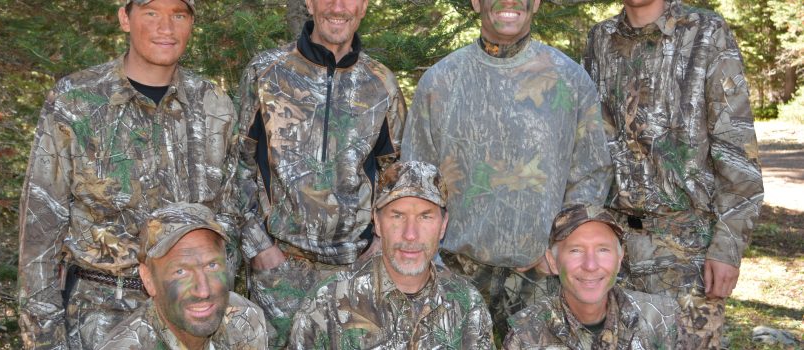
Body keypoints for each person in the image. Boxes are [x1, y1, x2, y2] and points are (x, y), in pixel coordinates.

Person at [17, 1, 242, 348]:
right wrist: (45, 340)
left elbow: (228, 218)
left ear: (191, 23)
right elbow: (40, 232)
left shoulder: (214, 104)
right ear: (125, 18)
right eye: (151, 12)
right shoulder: (77, 102)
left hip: (194, 317)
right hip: (103, 316)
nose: (166, 27)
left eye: (178, 15)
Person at [401, 0, 613, 339]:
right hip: (457, 277)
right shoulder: (441, 81)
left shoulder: (569, 79)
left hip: (543, 279)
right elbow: (415, 184)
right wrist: (433, 263)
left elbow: (590, 174)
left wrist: (559, 246)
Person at [582, 0, 764, 347]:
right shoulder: (600, 39)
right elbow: (587, 149)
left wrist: (727, 248)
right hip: (611, 251)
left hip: (687, 255)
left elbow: (737, 150)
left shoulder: (706, 33)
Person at [235, 0, 406, 346]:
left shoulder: (381, 84)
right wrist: (259, 247)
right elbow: (236, 164)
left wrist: (378, 244)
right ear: (309, 4)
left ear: (364, 7)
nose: (338, 7)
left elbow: (396, 176)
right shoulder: (266, 73)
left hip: (354, 270)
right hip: (280, 272)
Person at [289, 161, 495, 349]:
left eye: (425, 216)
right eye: (397, 216)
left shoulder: (467, 304)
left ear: (443, 225)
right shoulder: (328, 302)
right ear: (377, 223)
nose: (410, 234)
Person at [503, 206, 683, 349]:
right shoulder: (525, 333)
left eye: (603, 250)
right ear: (553, 261)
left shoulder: (662, 316)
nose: (590, 265)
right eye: (576, 250)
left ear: (619, 259)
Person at [97, 203, 267, 350]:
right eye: (181, 272)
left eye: (212, 265)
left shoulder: (244, 318)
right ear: (148, 279)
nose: (203, 291)